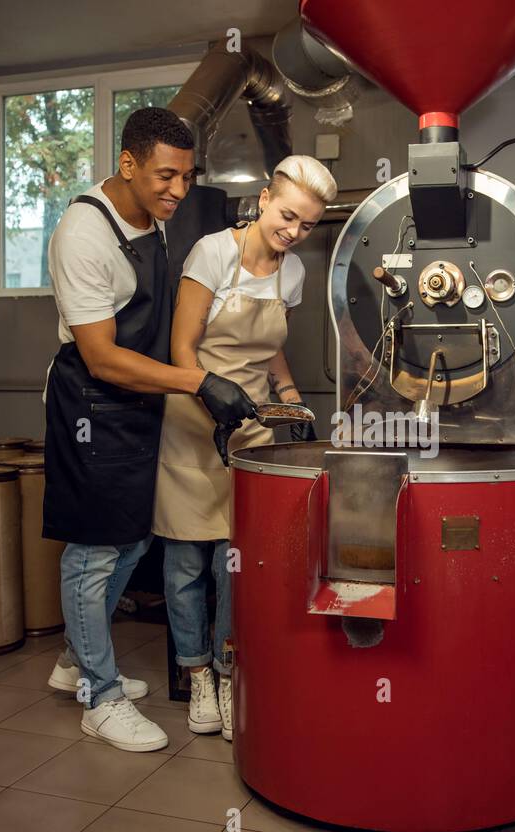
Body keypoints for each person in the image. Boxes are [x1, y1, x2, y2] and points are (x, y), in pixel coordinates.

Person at [41, 107, 255, 752]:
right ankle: (98, 697)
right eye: (166, 175)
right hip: (90, 408)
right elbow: (103, 357)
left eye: (188, 177)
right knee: (94, 553)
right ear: (127, 164)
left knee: (134, 545)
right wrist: (198, 383)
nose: (178, 190)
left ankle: (77, 662)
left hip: (137, 404)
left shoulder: (150, 220)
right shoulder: (84, 235)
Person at [155, 155, 336, 742]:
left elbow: (271, 346)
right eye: (287, 215)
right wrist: (210, 398)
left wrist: (291, 398)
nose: (293, 232)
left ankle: (229, 669)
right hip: (192, 421)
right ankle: (196, 675)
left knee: (234, 562)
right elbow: (183, 349)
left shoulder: (294, 273)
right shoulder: (213, 253)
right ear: (263, 199)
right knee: (187, 561)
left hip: (252, 429)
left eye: (307, 225)